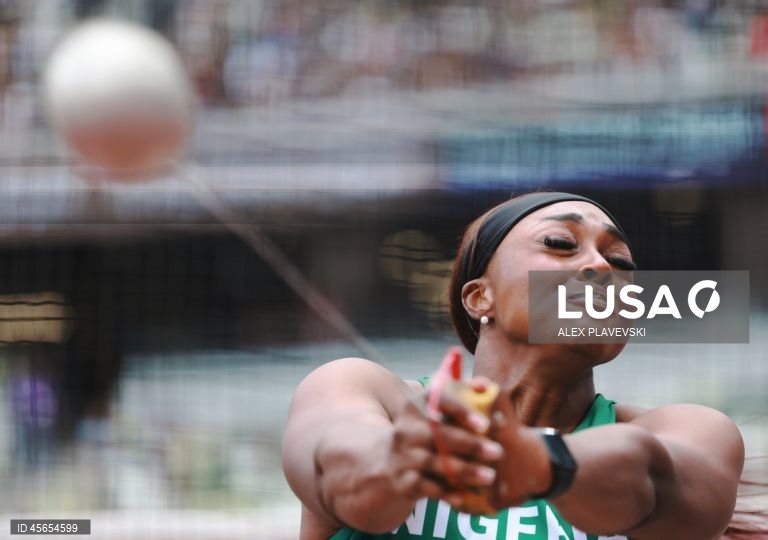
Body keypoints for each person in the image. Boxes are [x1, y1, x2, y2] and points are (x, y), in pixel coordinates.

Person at [282, 192, 745, 540]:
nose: (602, 268)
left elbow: (649, 475)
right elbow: (339, 463)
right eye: (561, 243)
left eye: (620, 261)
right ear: (479, 295)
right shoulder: (362, 388)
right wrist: (403, 457)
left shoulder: (692, 428)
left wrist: (537, 461)